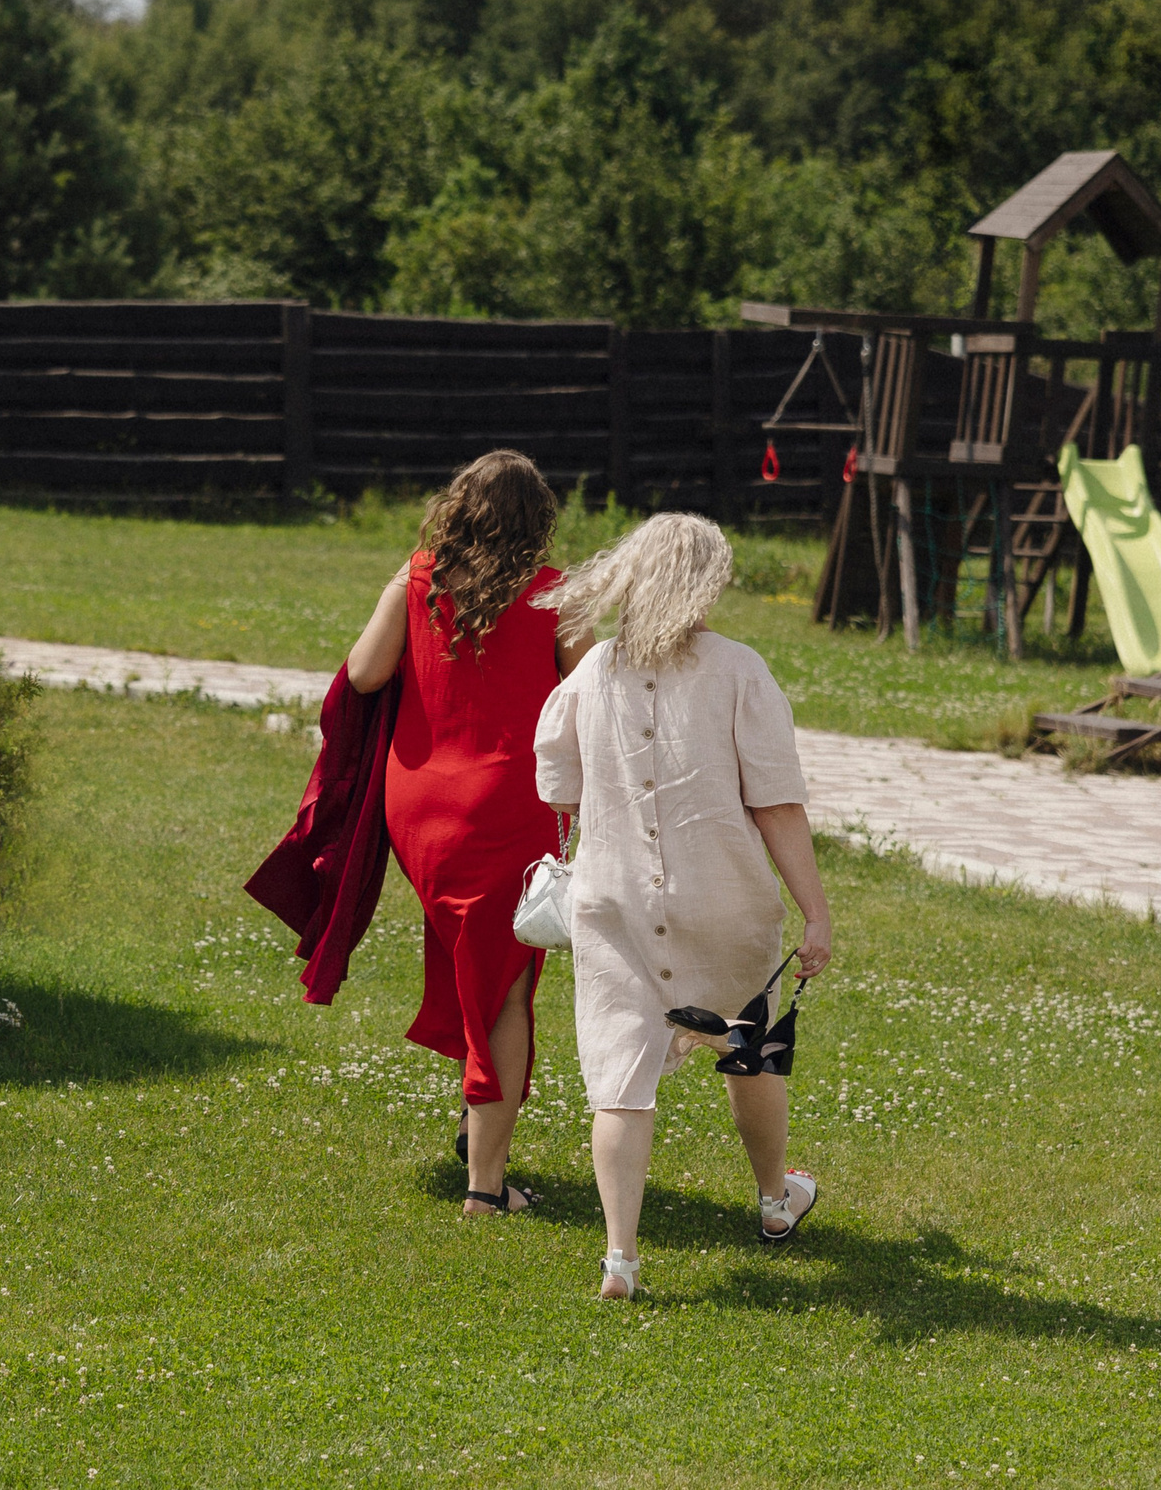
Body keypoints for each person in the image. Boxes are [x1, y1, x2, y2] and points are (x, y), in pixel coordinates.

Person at [531, 512, 832, 1300]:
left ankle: (621, 1258)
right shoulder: (739, 670)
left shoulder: (591, 669)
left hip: (613, 902)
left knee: (620, 1080)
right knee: (749, 1046)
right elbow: (778, 804)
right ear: (706, 584)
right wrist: (816, 912)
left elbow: (555, 783)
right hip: (725, 901)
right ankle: (775, 1201)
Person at [346, 451, 592, 1217]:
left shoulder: (417, 577)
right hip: (508, 809)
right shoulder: (555, 594)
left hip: (419, 807)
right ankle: (485, 1187)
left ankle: (474, 1123)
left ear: (456, 508)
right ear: (539, 519)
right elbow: (592, 695)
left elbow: (361, 673)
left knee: (477, 965)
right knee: (505, 988)